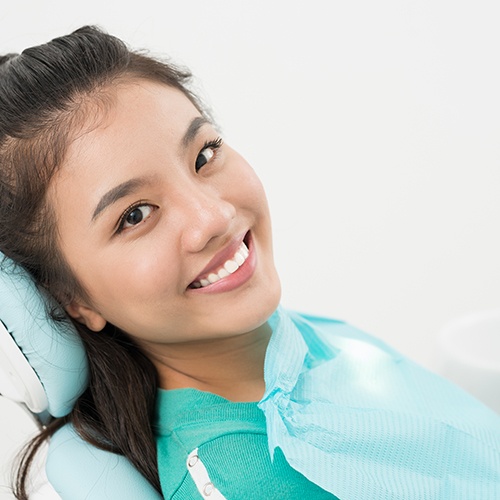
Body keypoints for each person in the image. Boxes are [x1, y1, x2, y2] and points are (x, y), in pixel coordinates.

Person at [0, 26, 498, 500]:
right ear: (73, 298)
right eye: (135, 215)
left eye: (204, 155)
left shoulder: (284, 342)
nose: (213, 216)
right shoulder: (237, 475)